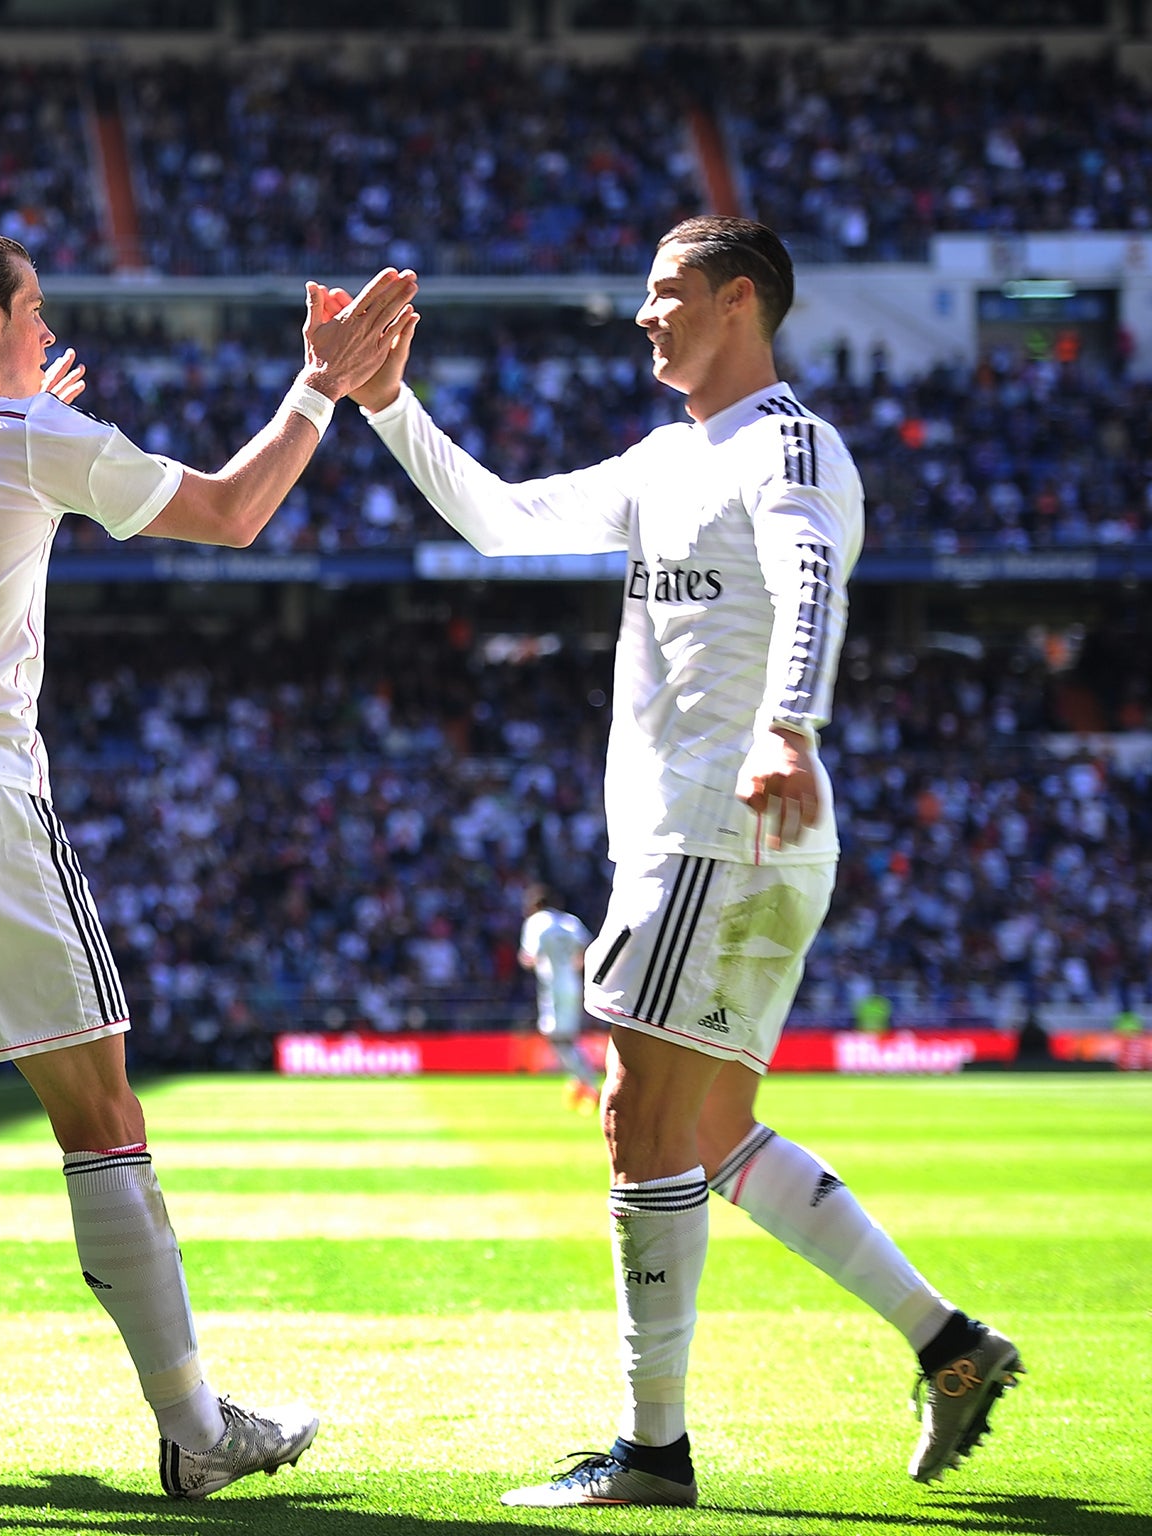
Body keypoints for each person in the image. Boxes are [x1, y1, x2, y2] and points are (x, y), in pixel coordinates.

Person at [346, 216, 1021, 1506]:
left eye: (665, 292)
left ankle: (651, 1453)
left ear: (738, 301)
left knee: (637, 1120)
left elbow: (809, 575)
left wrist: (787, 726)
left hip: (720, 827)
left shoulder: (787, 444)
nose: (644, 313)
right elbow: (496, 520)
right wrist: (387, 401)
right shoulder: (670, 456)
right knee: (707, 1128)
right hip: (727, 839)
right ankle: (949, 1348)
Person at [0, 227, 417, 1519]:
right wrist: (317, 389)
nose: (50, 334)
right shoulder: (27, 441)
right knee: (102, 1119)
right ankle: (194, 1429)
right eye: (36, 310)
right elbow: (230, 511)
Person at [517, 884, 599, 1109]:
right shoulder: (570, 921)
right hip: (572, 984)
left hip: (552, 986)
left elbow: (528, 957)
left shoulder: (536, 922)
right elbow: (587, 949)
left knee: (556, 1037)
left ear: (534, 905)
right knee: (565, 1037)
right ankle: (580, 1082)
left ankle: (587, 1083)